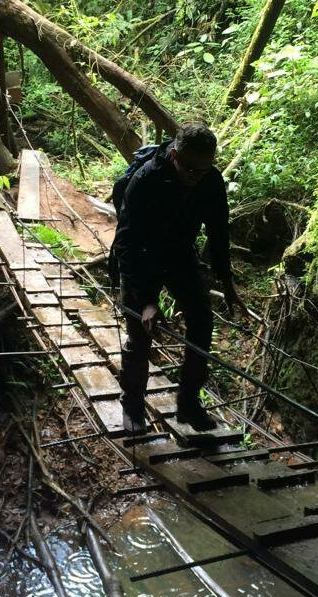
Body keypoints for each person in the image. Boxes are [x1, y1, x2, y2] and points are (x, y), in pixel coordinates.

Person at [112, 122, 245, 434]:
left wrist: (227, 283)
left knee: (202, 323)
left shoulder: (210, 180)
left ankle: (188, 404)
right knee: (140, 333)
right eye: (189, 169)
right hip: (141, 255)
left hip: (181, 254)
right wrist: (146, 301)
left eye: (202, 170)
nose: (195, 176)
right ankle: (132, 404)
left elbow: (218, 233)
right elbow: (126, 243)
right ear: (174, 155)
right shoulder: (146, 180)